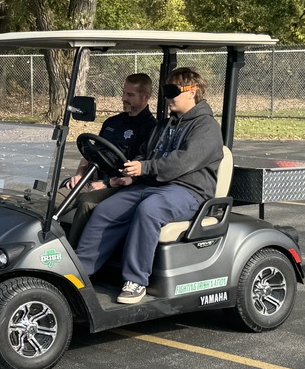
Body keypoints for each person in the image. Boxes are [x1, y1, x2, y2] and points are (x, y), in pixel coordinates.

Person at [74, 67, 224, 304]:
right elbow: (146, 154)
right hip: (153, 186)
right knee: (107, 210)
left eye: (172, 91)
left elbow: (181, 162)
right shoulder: (164, 126)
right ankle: (80, 272)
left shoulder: (206, 127)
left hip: (188, 191)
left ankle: (136, 280)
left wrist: (145, 169)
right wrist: (134, 172)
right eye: (165, 91)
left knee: (150, 210)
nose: (167, 96)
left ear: (192, 92)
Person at [59, 73, 155, 246]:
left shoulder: (150, 129)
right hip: (90, 179)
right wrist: (80, 174)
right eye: (124, 93)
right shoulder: (112, 122)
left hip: (119, 186)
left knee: (87, 203)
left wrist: (107, 184)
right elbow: (90, 155)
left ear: (145, 97)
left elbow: (135, 173)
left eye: (130, 95)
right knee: (51, 199)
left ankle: (74, 258)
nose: (123, 98)